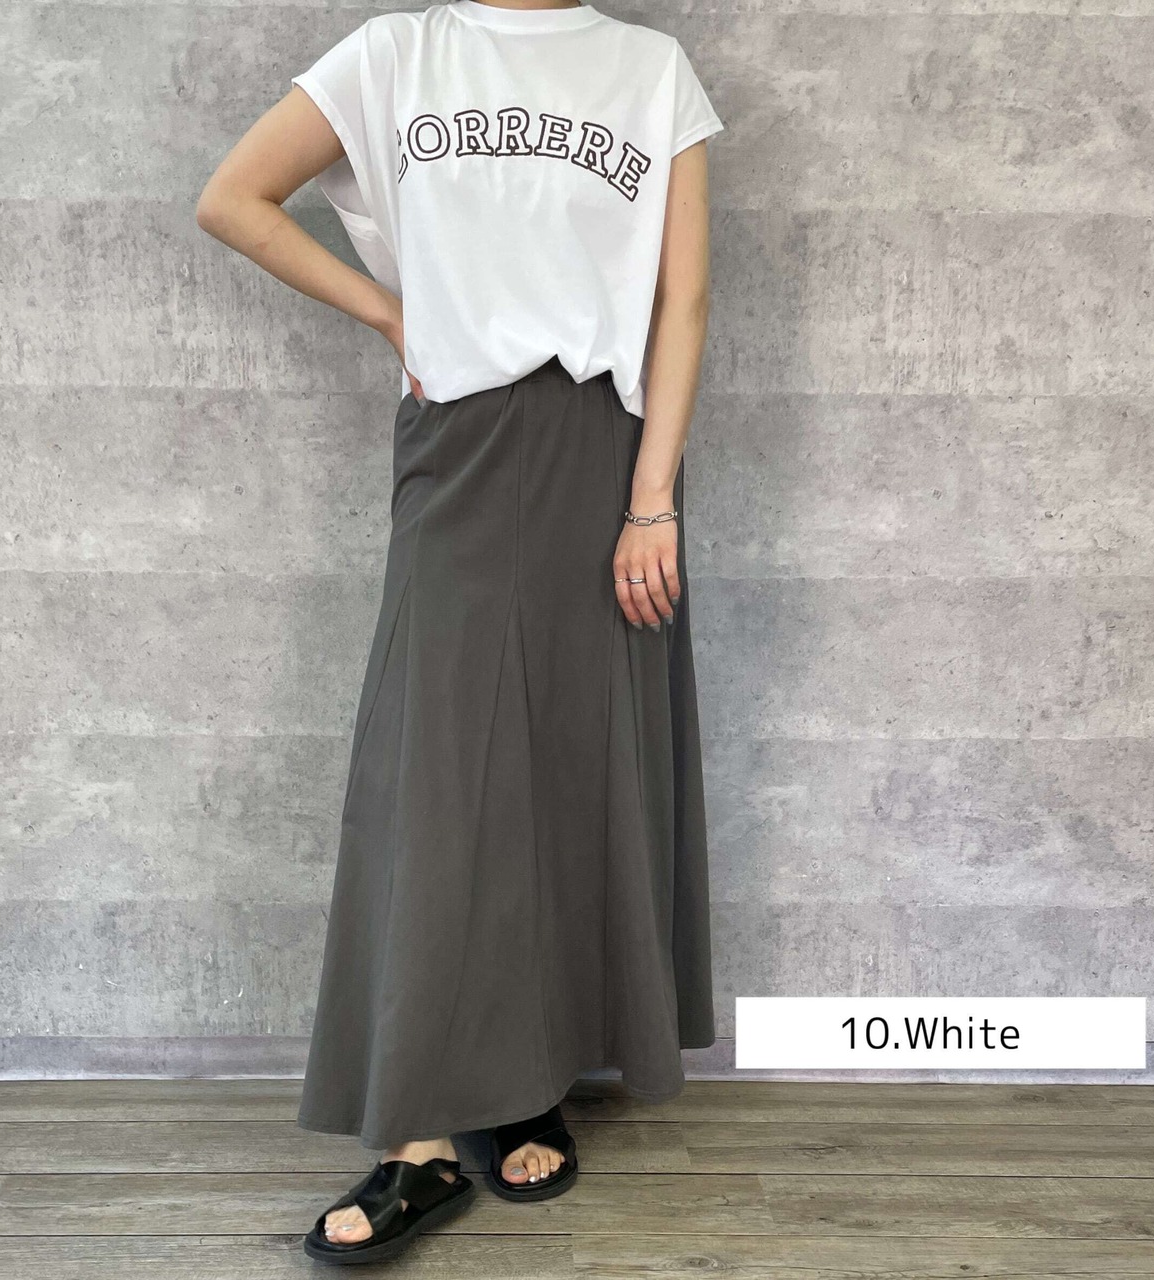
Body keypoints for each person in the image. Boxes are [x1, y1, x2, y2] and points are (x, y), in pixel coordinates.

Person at [195, 0, 723, 1264]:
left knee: (568, 764)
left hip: (605, 450)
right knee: (433, 775)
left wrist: (651, 496)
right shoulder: (396, 54)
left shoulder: (650, 70)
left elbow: (682, 297)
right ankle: (419, 1138)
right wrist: (390, 314)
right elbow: (233, 198)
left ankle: (524, 1079)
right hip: (461, 439)